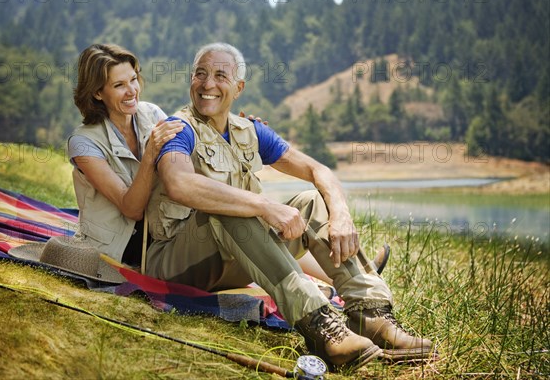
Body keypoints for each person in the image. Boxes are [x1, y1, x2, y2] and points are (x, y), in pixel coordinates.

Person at [145, 42, 434, 369]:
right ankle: (321, 327)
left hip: (232, 259)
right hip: (175, 262)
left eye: (220, 76)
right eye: (200, 74)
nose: (207, 84)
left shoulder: (250, 130)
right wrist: (264, 206)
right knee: (230, 206)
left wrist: (340, 214)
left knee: (313, 201)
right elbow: (179, 184)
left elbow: (317, 170)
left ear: (238, 88)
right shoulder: (178, 128)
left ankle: (372, 315)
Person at [68, 43, 185, 268]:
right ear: (97, 92)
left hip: (161, 231)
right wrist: (150, 154)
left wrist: (241, 132)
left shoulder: (151, 113)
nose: (132, 91)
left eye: (133, 79)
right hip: (119, 247)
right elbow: (131, 209)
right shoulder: (82, 143)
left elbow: (187, 158)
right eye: (119, 85)